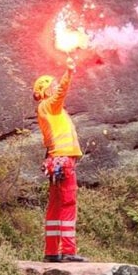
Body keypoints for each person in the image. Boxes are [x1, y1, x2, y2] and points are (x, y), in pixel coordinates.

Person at [32, 56, 86, 263]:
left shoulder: (52, 110)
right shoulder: (49, 106)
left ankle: (52, 252)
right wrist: (69, 72)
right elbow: (62, 92)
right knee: (68, 203)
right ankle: (69, 251)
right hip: (63, 161)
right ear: (45, 90)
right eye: (52, 86)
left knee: (55, 205)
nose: (55, 88)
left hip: (56, 161)